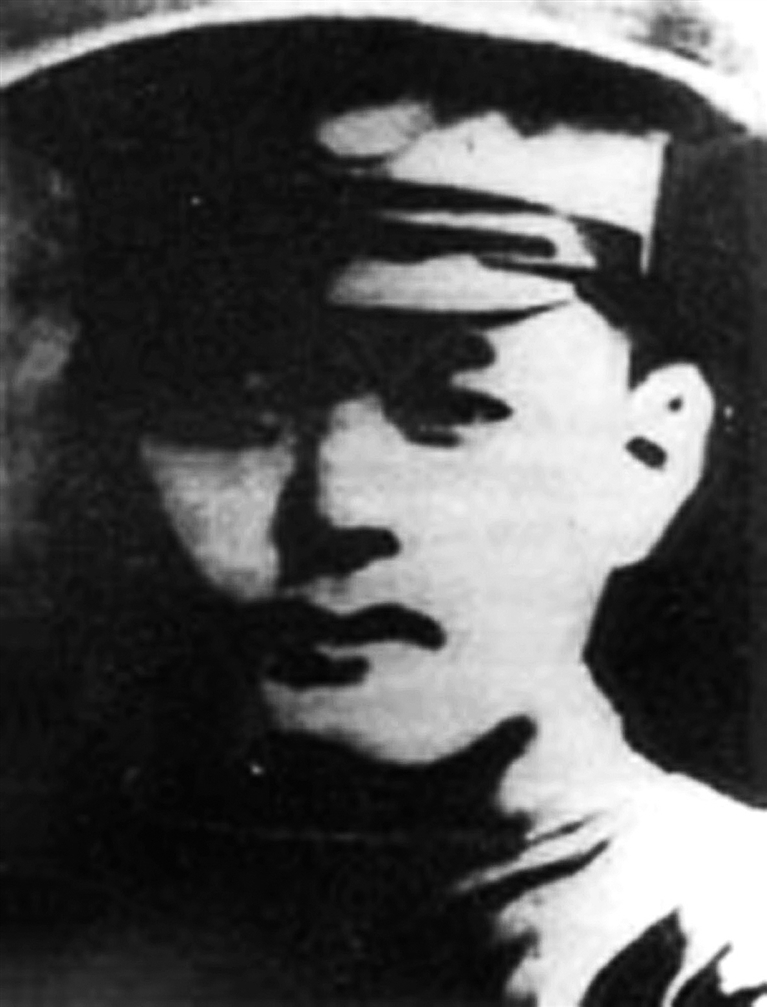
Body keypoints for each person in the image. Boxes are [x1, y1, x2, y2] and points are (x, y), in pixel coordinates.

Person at [1, 6, 765, 1005]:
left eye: (448, 402)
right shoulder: (67, 924)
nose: (334, 507)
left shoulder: (718, 948)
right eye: (232, 408)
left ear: (648, 448)